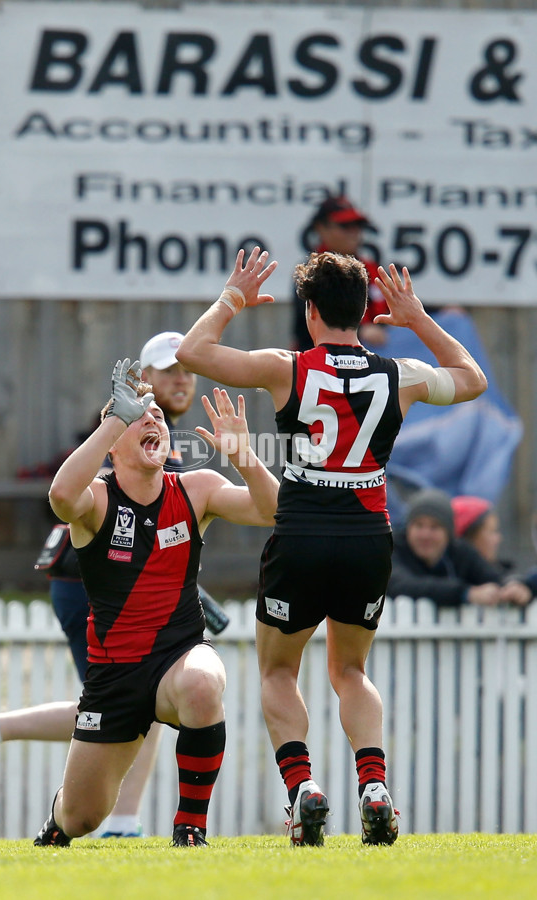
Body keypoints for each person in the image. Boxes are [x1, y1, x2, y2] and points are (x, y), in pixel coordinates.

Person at [177, 246, 487, 846]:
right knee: (349, 669)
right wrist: (418, 317)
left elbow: (192, 352)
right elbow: (473, 380)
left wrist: (233, 297)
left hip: (300, 533)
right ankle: (373, 785)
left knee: (276, 670)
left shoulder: (287, 367)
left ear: (311, 311)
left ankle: (303, 790)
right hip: (368, 536)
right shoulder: (401, 374)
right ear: (364, 310)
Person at [0, 333, 229, 841]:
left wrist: (192, 594)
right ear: (145, 378)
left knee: (159, 692)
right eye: (168, 371)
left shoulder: (164, 440)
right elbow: (90, 509)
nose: (181, 380)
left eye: (187, 370)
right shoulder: (127, 433)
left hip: (115, 587)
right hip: (86, 583)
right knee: (128, 696)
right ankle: (115, 821)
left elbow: (165, 540)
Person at [28, 360, 277, 847]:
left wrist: (244, 454)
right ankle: (57, 819)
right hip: (113, 674)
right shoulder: (97, 500)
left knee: (204, 684)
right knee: (81, 818)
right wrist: (112, 422)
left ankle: (190, 828)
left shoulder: (195, 489)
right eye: (138, 415)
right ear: (115, 440)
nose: (154, 420)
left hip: (178, 655)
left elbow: (271, 510)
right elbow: (60, 495)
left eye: (159, 415)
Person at [388, 489, 532, 608]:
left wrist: (513, 586)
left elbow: (493, 575)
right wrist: (466, 593)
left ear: (448, 533)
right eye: (418, 525)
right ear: (408, 528)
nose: (426, 534)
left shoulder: (459, 551)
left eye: (435, 527)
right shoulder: (391, 549)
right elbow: (400, 585)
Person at [292, 195, 388, 351]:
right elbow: (313, 317)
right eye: (345, 226)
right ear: (321, 228)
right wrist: (361, 331)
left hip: (368, 365)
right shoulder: (311, 272)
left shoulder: (372, 269)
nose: (353, 232)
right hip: (318, 365)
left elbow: (396, 307)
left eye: (357, 226)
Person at [451, 495, 537, 601]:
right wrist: (468, 593)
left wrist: (516, 586)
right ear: (468, 536)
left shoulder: (496, 576)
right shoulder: (446, 578)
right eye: (492, 531)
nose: (498, 539)